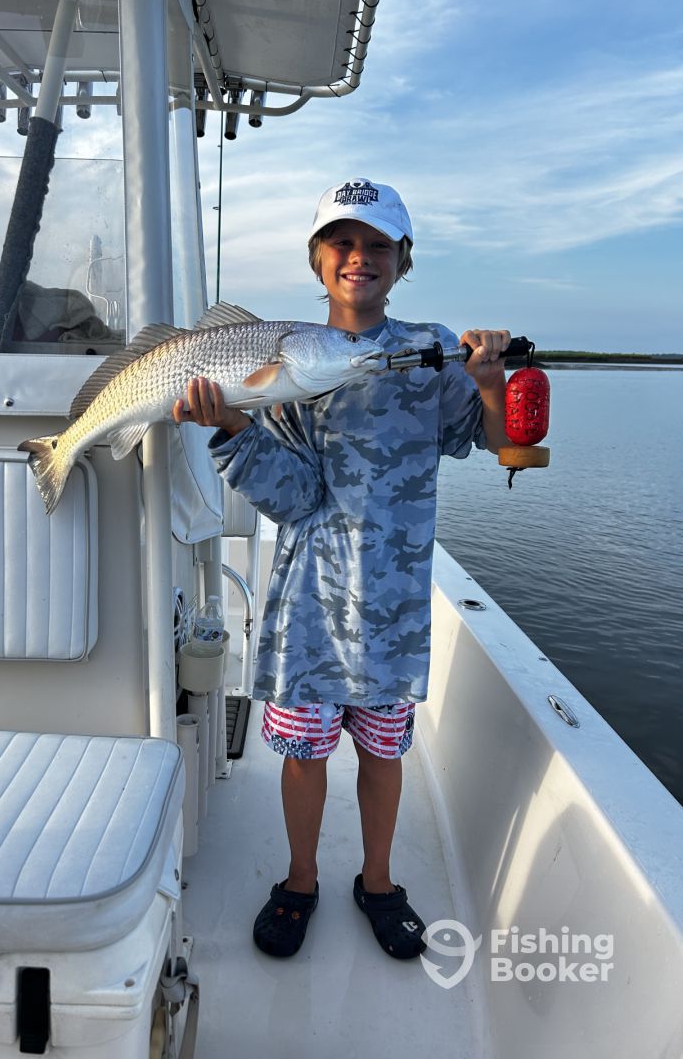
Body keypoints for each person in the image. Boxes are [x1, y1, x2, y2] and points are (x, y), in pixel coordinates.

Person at [173, 178, 513, 960]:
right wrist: (234, 427)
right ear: (317, 259)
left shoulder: (430, 350)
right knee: (303, 756)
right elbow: (292, 498)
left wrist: (489, 379)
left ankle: (379, 881)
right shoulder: (284, 366)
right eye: (342, 242)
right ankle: (300, 880)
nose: (360, 257)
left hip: (395, 609)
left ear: (403, 260)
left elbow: (490, 441)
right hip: (309, 608)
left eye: (378, 245)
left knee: (385, 755)